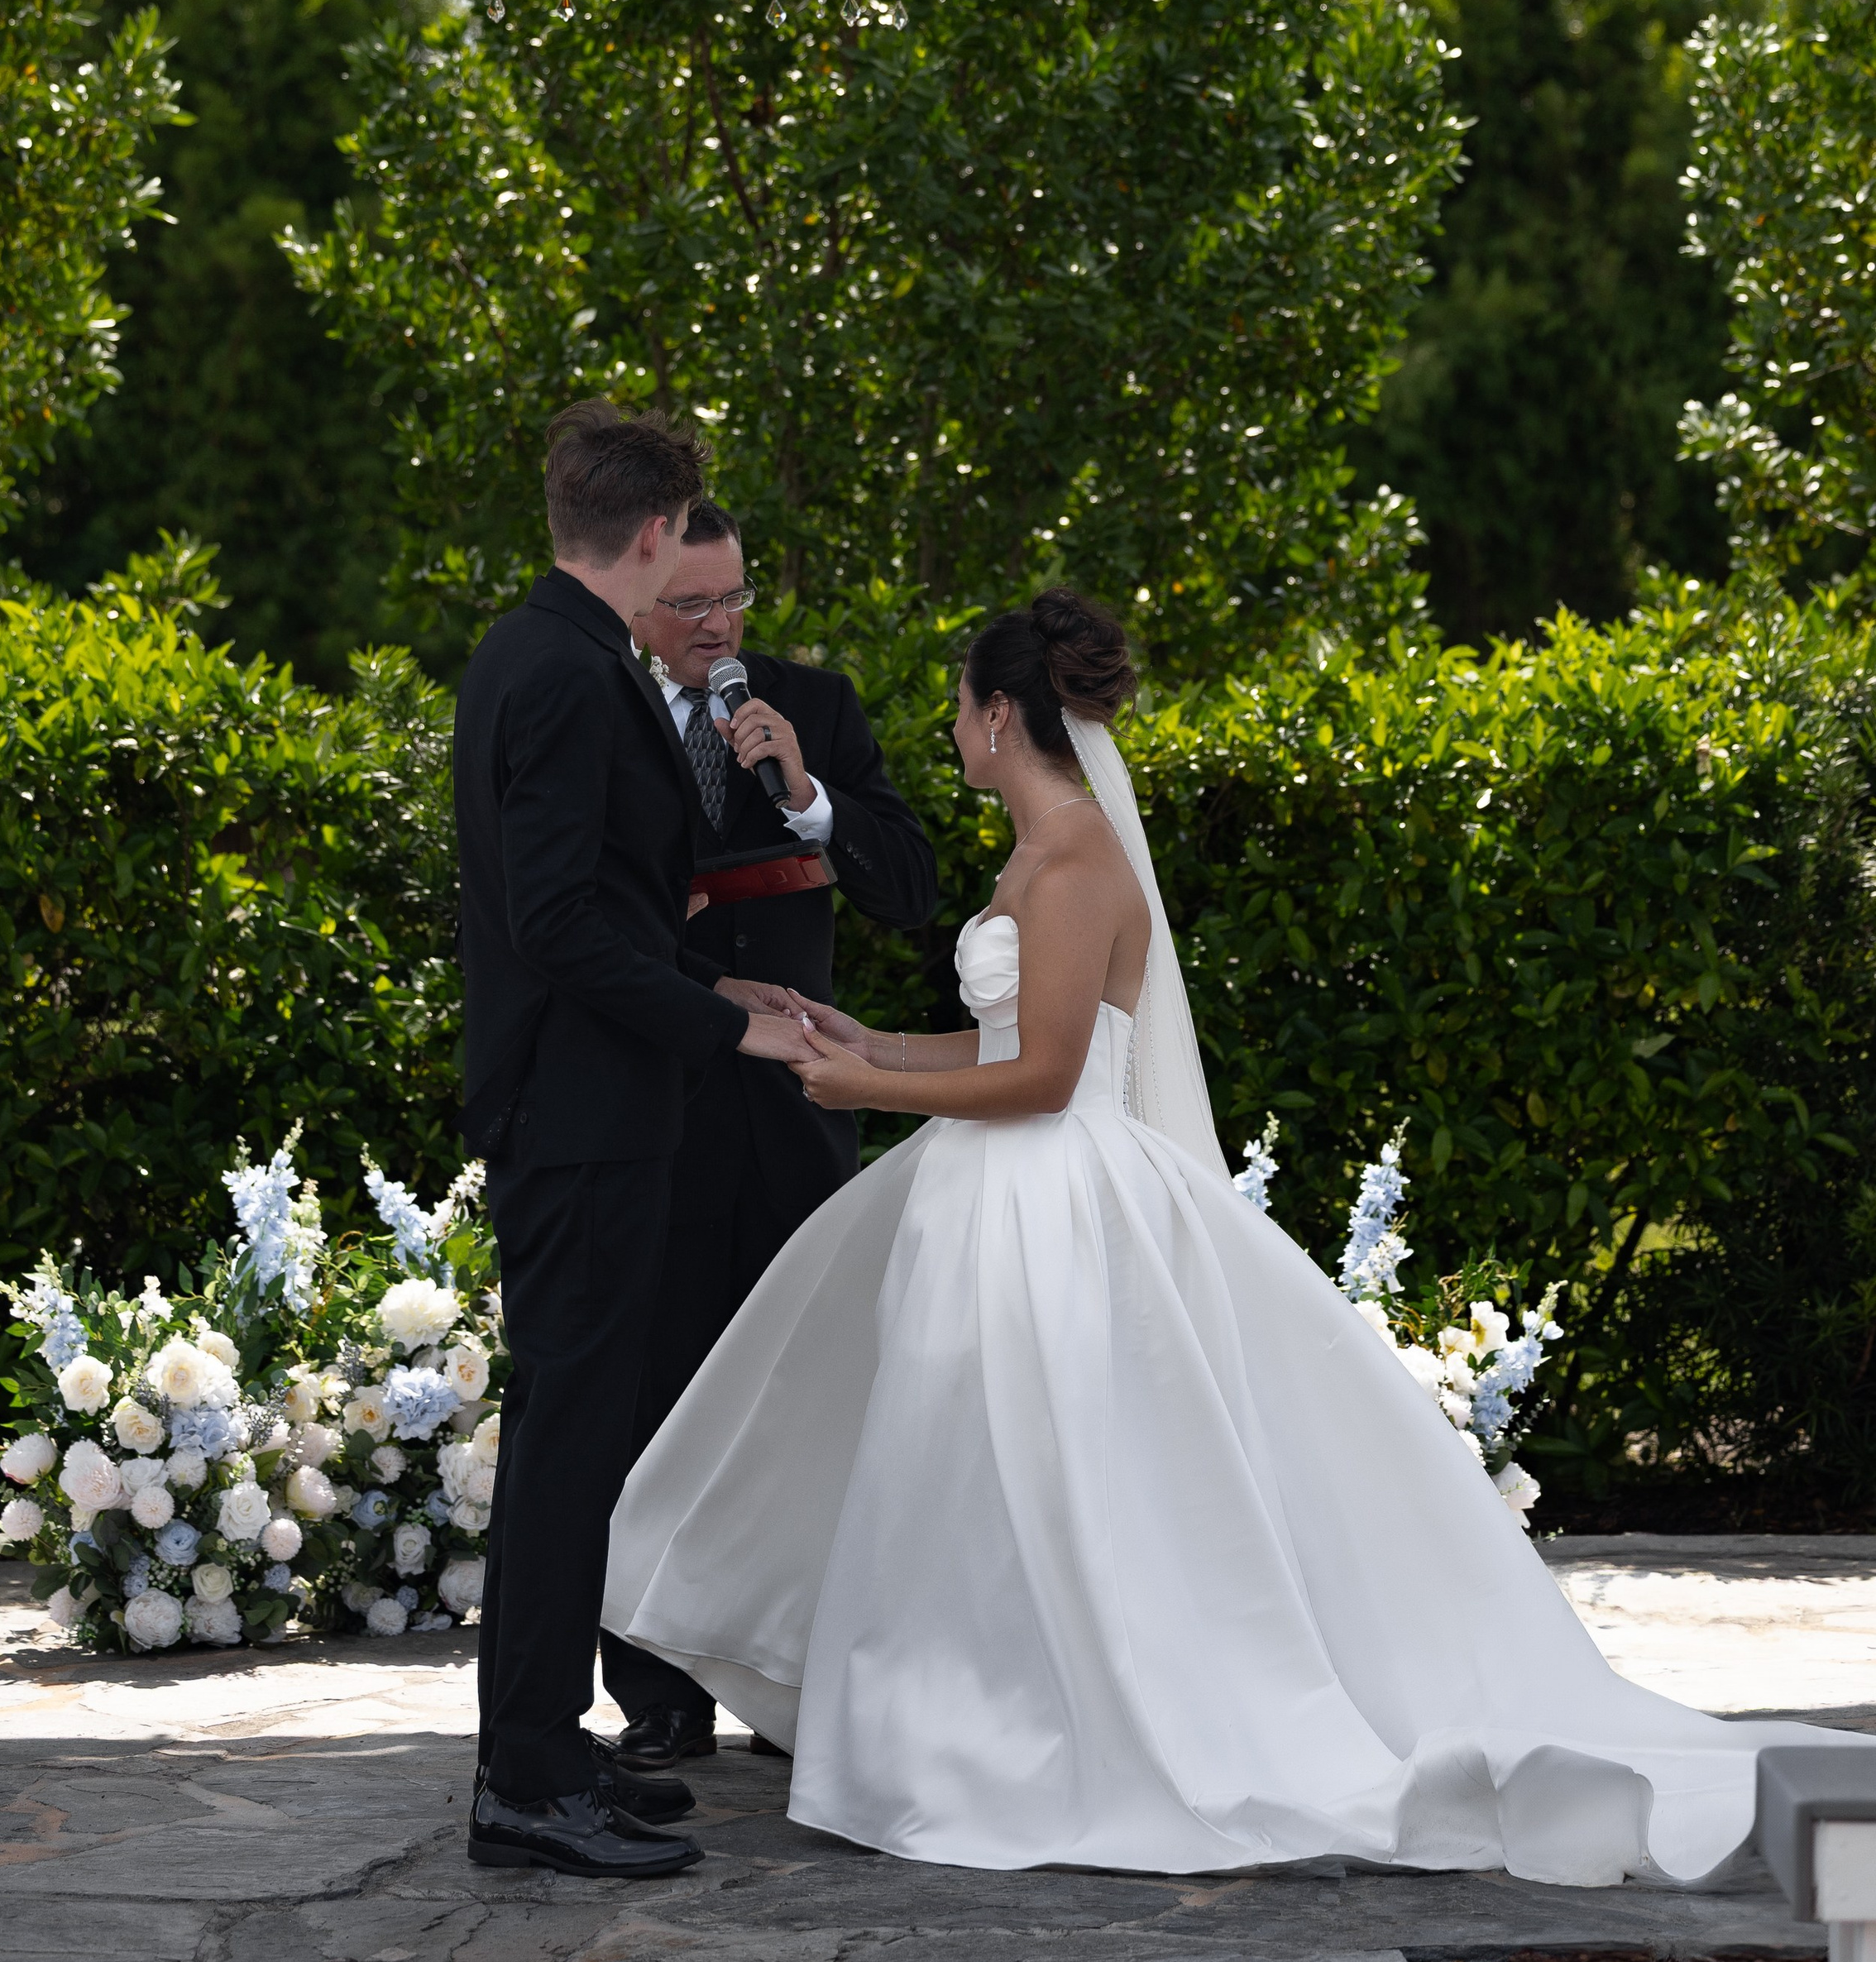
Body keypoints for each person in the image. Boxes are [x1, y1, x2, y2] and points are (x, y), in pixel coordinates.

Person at [604, 588, 1849, 1883]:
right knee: (965, 1471)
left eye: (959, 710)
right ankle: (956, 1721)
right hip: (996, 1196)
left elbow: (1049, 1079)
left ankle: (1030, 1736)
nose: (952, 735)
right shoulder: (1034, 853)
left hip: (1057, 1200)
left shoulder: (1077, 857)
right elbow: (1010, 1042)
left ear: (996, 714)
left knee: (1041, 1471)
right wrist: (869, 1039)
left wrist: (873, 1093)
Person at [451, 400, 815, 1880]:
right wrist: (724, 1027)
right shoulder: (562, 672)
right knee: (572, 1444)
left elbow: (593, 917)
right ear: (658, 531)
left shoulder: (538, 650)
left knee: (577, 1437)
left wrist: (717, 980)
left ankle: (540, 1744)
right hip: (583, 1122)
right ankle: (526, 1774)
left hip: (593, 1106)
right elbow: (555, 929)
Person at [601, 500, 940, 1768]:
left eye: (734, 598)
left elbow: (912, 890)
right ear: (641, 598)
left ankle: (793, 1678)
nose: (718, 627)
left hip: (801, 1123)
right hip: (662, 1112)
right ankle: (655, 1687)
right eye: (693, 605)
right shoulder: (603, 702)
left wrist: (808, 793)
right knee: (661, 1393)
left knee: (805, 1401)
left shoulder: (815, 704)